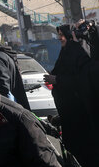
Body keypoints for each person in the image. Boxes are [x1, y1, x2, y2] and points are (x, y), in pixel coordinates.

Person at [44, 24, 99, 167]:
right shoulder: (67, 52)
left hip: (83, 116)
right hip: (71, 115)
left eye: (62, 34)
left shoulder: (81, 54)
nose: (59, 38)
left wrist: (58, 80)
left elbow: (83, 81)